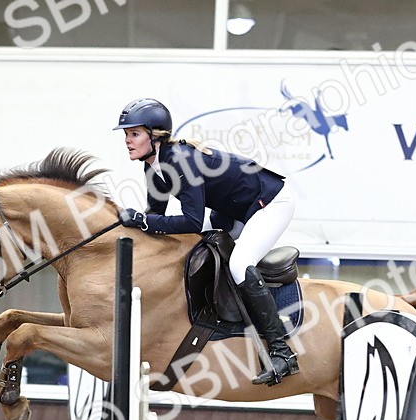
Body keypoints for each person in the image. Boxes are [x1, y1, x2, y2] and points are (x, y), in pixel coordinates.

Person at [113, 97, 298, 386]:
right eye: (126, 134)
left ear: (155, 135)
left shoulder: (180, 161)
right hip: (232, 211)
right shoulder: (153, 166)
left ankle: (282, 352)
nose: (127, 140)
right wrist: (132, 227)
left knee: (239, 264)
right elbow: (156, 218)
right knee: (193, 247)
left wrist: (142, 220)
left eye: (134, 134)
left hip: (269, 203)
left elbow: (191, 222)